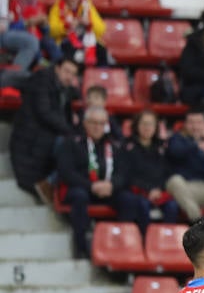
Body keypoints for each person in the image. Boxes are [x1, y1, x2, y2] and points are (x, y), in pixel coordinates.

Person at [58, 107, 150, 257]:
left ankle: (122, 245)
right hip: (83, 188)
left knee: (130, 200)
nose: (97, 127)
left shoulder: (114, 145)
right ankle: (81, 248)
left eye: (101, 123)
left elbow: (124, 173)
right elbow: (66, 172)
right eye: (93, 123)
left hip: (109, 189)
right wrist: (91, 186)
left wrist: (112, 185)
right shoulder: (72, 142)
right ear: (85, 123)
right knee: (79, 196)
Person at [11, 56, 77, 199]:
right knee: (73, 147)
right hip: (30, 141)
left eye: (73, 74)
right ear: (57, 69)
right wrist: (71, 131)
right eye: (67, 71)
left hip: (44, 138)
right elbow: (44, 113)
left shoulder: (62, 88)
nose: (69, 77)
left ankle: (50, 183)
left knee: (79, 148)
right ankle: (48, 182)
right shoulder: (41, 81)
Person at [115, 109, 173, 223]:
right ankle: (143, 239)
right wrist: (148, 190)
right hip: (136, 191)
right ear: (136, 126)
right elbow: (125, 175)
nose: (147, 127)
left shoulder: (163, 147)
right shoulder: (126, 146)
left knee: (172, 206)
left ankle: (167, 239)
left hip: (159, 191)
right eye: (144, 123)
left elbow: (168, 172)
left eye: (151, 124)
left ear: (156, 127)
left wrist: (159, 189)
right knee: (142, 204)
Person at [48, 0, 105, 66]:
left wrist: (89, 23)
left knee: (101, 50)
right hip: (66, 41)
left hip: (87, 39)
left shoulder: (87, 5)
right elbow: (51, 30)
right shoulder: (57, 7)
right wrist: (66, 26)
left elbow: (101, 29)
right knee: (70, 49)